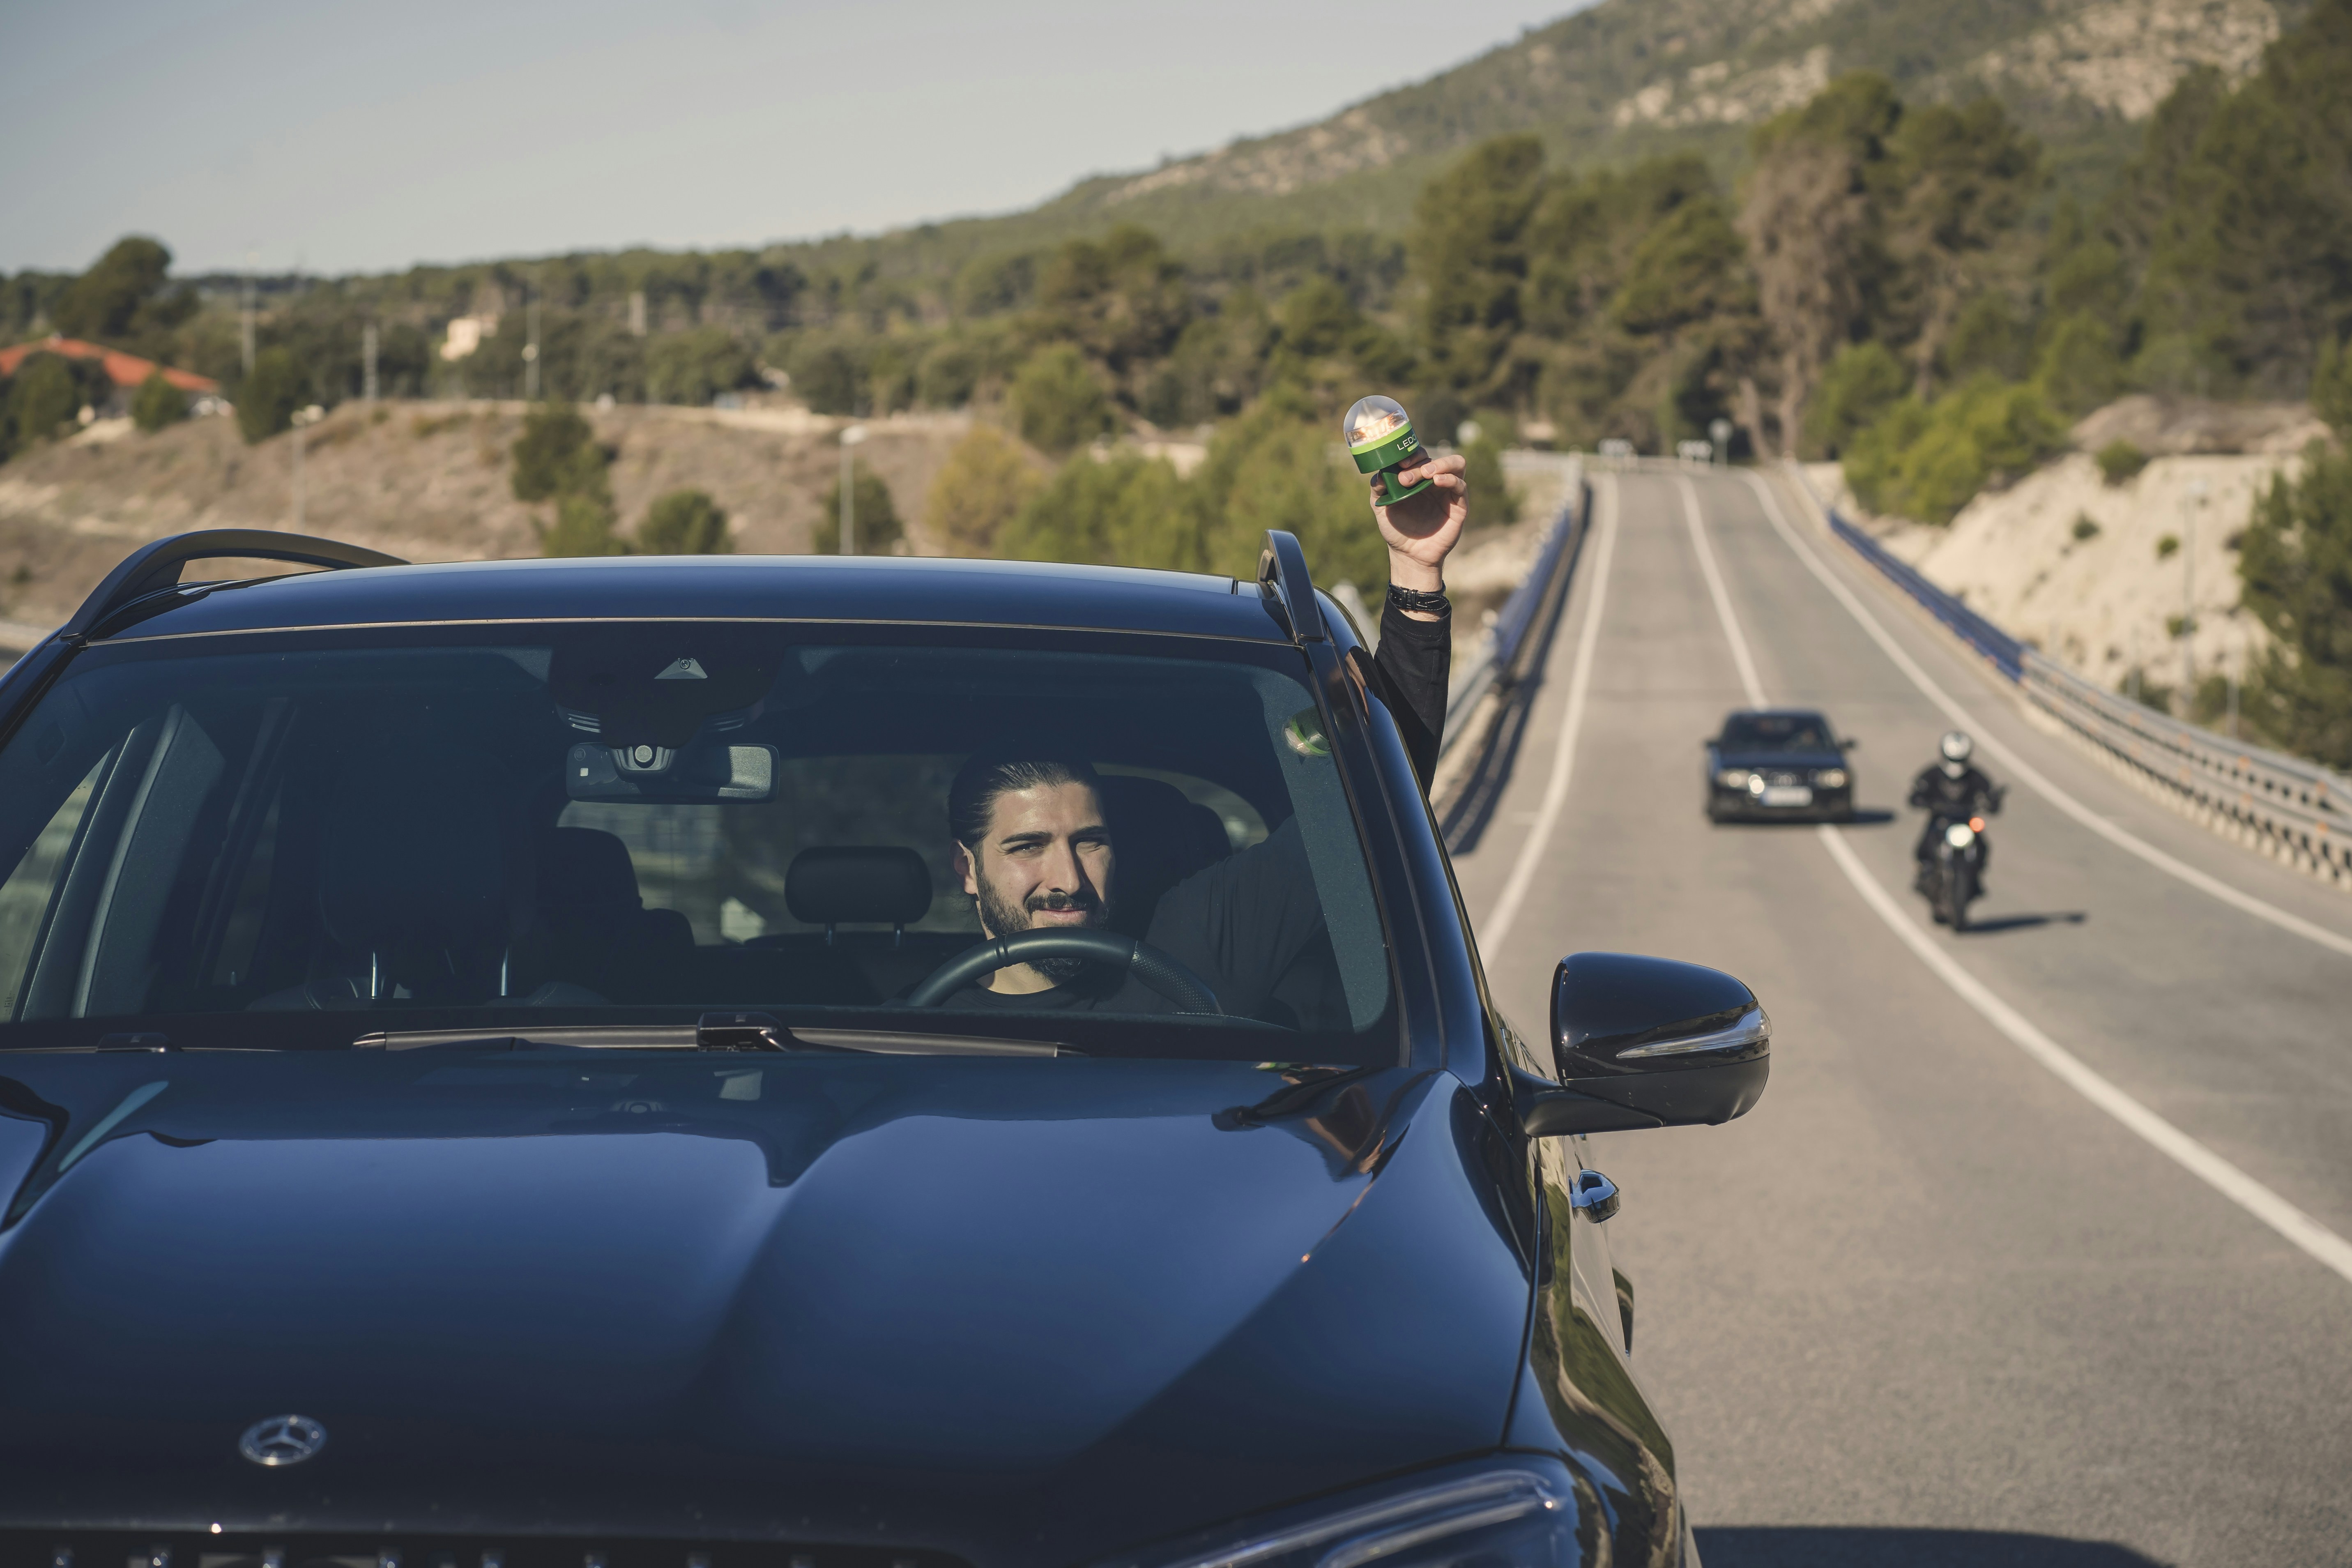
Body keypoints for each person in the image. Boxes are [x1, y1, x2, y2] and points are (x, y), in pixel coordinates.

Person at [934, 447, 1471, 1021]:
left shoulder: (1192, 948)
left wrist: (1416, 576)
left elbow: (1366, 812)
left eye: (1090, 840)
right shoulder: (896, 1044)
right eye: (1027, 846)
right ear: (967, 868)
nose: (1068, 879)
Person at [1909, 730, 2003, 889]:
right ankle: (1924, 872)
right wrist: (1923, 801)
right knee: (1924, 846)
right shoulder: (1933, 774)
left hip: (1966, 820)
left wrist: (1991, 803)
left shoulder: (1975, 776)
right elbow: (1916, 793)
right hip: (1940, 819)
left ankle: (1976, 877)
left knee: (1983, 846)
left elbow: (1990, 796)